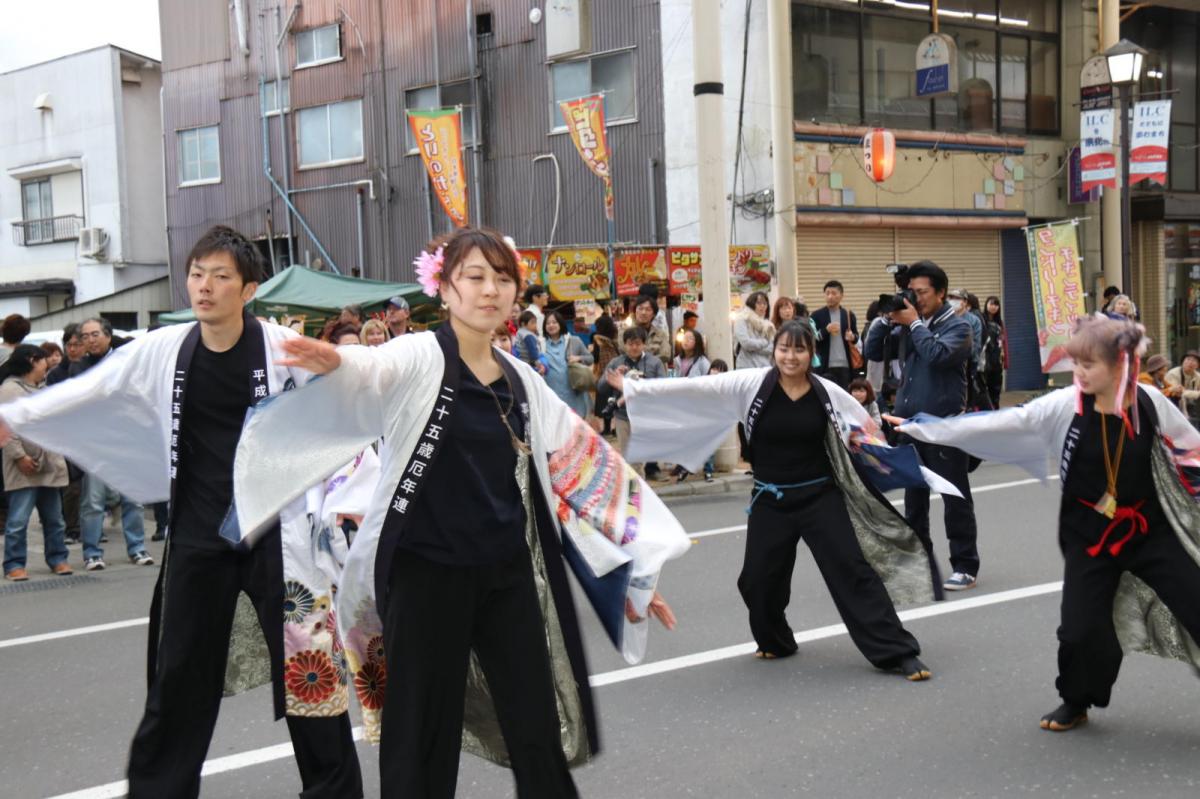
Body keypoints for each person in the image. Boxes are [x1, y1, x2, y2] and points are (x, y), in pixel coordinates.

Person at [230, 225, 689, 796]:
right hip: (425, 577)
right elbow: (374, 369)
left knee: (536, 728)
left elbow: (584, 467)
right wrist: (337, 362)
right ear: (444, 289)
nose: (489, 290)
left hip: (506, 576)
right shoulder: (420, 355)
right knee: (421, 738)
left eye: (502, 279)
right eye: (474, 277)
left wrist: (631, 564)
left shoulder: (523, 380)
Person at [0, 226, 364, 797]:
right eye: (198, 274)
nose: (205, 286)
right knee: (178, 681)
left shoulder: (281, 348)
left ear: (248, 289)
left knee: (310, 678)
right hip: (197, 537)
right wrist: (22, 417)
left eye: (221, 276)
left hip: (280, 540)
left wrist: (341, 362)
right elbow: (92, 391)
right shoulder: (165, 348)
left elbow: (355, 395)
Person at [890, 315, 1200, 732]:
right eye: (1076, 364)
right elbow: (1002, 422)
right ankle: (1075, 700)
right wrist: (927, 428)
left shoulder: (1148, 401)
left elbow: (1189, 450)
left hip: (1150, 529)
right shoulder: (1064, 406)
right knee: (1079, 630)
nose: (1080, 374)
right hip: (1089, 536)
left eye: (1090, 365)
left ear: (1120, 364)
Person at [616, 320, 957, 678]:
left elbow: (863, 428)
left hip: (820, 495)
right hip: (770, 498)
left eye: (799, 349)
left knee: (852, 570)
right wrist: (637, 391)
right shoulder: (751, 384)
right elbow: (696, 388)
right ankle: (775, 640)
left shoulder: (827, 391)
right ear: (774, 350)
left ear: (811, 354)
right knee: (758, 580)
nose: (790, 357)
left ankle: (897, 652)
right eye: (784, 348)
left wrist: (899, 433)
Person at [864, 260, 980, 592]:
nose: (916, 298)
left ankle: (965, 565)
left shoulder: (960, 327)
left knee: (954, 496)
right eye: (911, 292)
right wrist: (886, 319)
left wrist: (913, 323)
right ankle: (919, 560)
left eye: (922, 292)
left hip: (944, 426)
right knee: (914, 499)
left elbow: (937, 356)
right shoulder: (907, 324)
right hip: (908, 425)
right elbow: (872, 350)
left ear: (941, 293)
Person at [70, 317, 150, 570]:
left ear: (107, 335)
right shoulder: (78, 367)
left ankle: (137, 548)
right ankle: (92, 552)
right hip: (97, 445)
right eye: (85, 336)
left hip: (128, 440)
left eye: (95, 334)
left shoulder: (124, 361)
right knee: (93, 502)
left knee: (133, 499)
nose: (90, 340)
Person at [1, 345, 72, 581]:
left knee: (54, 519)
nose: (47, 365)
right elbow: (4, 428)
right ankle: (14, 564)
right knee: (18, 521)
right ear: (32, 360)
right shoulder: (9, 390)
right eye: (43, 361)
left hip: (48, 463)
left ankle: (58, 559)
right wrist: (19, 456)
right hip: (23, 464)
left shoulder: (44, 388)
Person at [605, 326, 667, 477]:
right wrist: (615, 375)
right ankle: (637, 492)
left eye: (638, 344)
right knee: (629, 457)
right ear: (624, 344)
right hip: (622, 415)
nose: (634, 347)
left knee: (638, 458)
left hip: (645, 415)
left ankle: (638, 493)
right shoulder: (616, 362)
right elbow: (601, 385)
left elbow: (663, 386)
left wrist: (645, 383)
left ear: (644, 344)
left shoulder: (654, 362)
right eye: (630, 344)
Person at [669, 329, 712, 483]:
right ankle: (683, 464)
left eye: (690, 338)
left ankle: (707, 468)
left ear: (697, 342)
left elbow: (708, 382)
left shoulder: (702, 362)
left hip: (697, 404)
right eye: (684, 338)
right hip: (681, 403)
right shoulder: (676, 360)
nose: (686, 341)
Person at [542, 310, 593, 418]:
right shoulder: (541, 344)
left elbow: (590, 359)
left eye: (554, 322)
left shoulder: (574, 341)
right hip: (552, 396)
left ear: (560, 323)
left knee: (576, 428)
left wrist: (578, 358)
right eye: (548, 323)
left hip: (574, 395)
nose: (551, 325)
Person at [812, 280, 860, 388]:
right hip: (824, 365)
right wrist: (826, 330)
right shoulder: (816, 315)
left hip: (845, 365)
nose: (830, 296)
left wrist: (852, 337)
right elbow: (811, 339)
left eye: (834, 293)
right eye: (827, 293)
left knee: (844, 396)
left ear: (841, 295)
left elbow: (856, 337)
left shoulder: (848, 314)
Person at [591, 314, 621, 437]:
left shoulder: (598, 340)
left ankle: (607, 428)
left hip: (604, 373)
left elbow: (596, 358)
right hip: (616, 372)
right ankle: (616, 428)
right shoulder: (615, 341)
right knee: (616, 400)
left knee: (604, 401)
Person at [621, 295, 673, 365]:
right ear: (635, 311)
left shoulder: (660, 334)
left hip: (655, 373)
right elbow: (624, 351)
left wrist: (642, 356)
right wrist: (653, 353)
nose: (643, 312)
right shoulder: (624, 331)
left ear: (654, 314)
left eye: (648, 310)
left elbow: (666, 355)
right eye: (640, 308)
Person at [733, 291, 775, 370]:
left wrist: (752, 349)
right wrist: (765, 342)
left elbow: (772, 348)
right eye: (759, 303)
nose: (762, 306)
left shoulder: (768, 325)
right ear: (752, 304)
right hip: (746, 366)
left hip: (765, 367)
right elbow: (746, 343)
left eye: (765, 304)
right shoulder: (742, 319)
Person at [982, 296, 1008, 411]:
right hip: (984, 361)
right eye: (991, 304)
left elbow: (1004, 342)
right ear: (986, 304)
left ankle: (995, 411)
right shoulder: (981, 320)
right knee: (983, 390)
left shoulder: (999, 322)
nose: (993, 307)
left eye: (996, 304)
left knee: (995, 390)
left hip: (996, 361)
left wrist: (1005, 360)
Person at [1164, 350, 1200, 427]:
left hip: (1189, 407)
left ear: (1197, 365)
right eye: (1188, 359)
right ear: (1183, 362)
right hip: (1172, 406)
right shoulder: (1173, 373)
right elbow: (1177, 392)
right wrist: (1197, 393)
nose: (1190, 362)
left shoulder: (1197, 376)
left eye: (1194, 361)